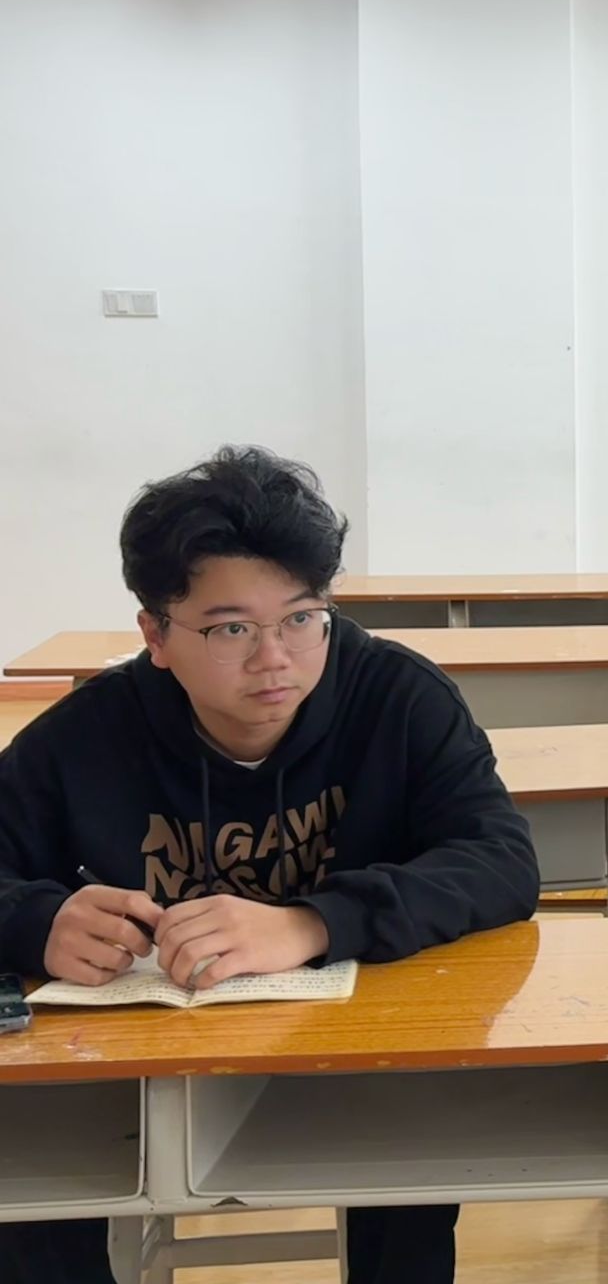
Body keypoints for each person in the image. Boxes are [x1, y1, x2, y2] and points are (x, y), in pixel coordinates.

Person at [0, 447, 541, 1284]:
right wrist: (38, 921)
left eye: (301, 617)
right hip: (137, 1061)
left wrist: (311, 923)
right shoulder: (87, 732)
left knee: (410, 1171)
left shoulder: (396, 698)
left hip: (359, 1050)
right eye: (230, 629)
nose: (274, 657)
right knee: (28, 1173)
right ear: (155, 634)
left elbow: (501, 860)